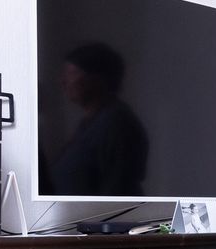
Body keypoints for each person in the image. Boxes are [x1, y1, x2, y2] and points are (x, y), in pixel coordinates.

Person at [40, 42, 147, 197]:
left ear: (97, 78)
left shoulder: (116, 123)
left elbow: (117, 190)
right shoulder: (90, 123)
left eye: (71, 73)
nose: (63, 82)